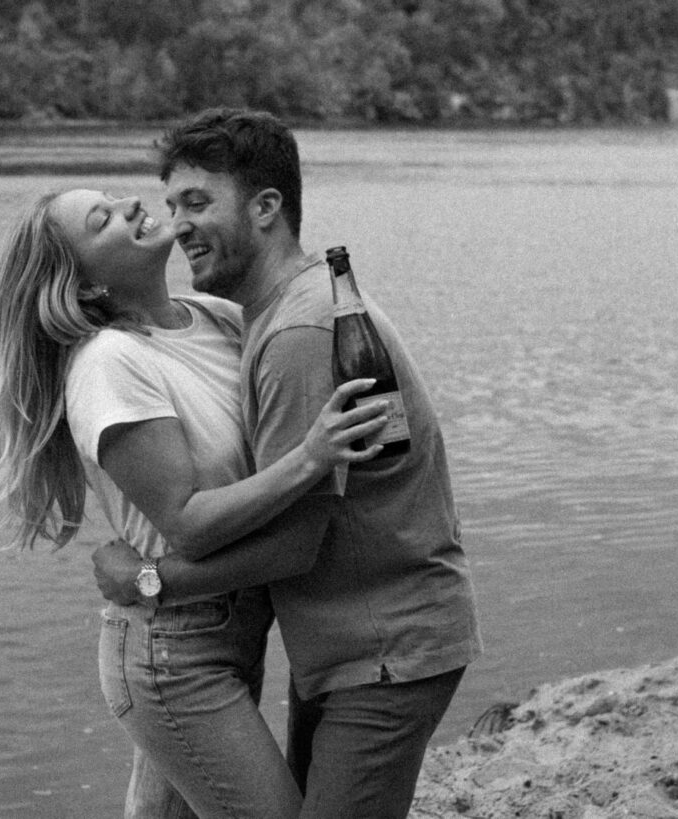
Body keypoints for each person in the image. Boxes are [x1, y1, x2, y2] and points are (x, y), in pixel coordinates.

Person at [0, 185, 390, 819]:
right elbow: (187, 524)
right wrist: (312, 458)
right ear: (84, 287)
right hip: (173, 651)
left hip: (236, 625)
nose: (130, 205)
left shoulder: (211, 317)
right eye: (103, 220)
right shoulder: (111, 364)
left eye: (113, 198)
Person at [93, 108, 483, 819]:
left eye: (200, 202)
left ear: (267, 207)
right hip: (355, 640)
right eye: (173, 204)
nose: (178, 225)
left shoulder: (300, 330)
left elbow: (295, 542)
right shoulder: (274, 312)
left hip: (386, 645)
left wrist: (148, 581)